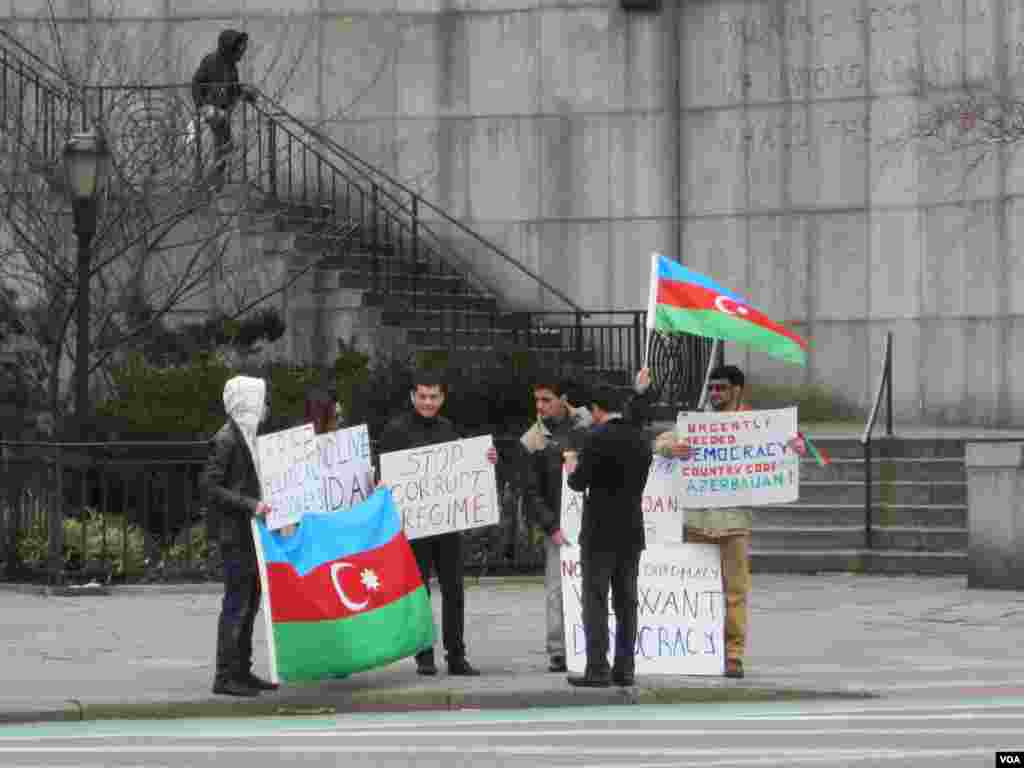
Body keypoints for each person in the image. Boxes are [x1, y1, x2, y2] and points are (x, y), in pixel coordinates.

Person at [654, 364, 805, 679]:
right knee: (696, 591)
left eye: (721, 388)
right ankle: (699, 649)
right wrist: (671, 447)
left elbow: (788, 443)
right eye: (711, 388)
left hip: (734, 522)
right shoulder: (697, 423)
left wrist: (795, 448)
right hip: (697, 521)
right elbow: (661, 442)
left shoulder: (755, 424)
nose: (714, 394)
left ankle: (733, 655)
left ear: (738, 390)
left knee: (735, 592)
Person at [376, 369, 498, 677]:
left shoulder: (448, 429)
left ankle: (456, 655)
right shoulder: (396, 431)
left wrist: (487, 459)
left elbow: (463, 469)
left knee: (454, 589)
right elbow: (383, 475)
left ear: (442, 398)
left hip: (446, 527)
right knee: (419, 592)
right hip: (413, 528)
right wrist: (382, 484)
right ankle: (424, 656)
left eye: (433, 397)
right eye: (422, 396)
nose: (428, 402)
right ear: (412, 397)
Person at [565, 376, 653, 688]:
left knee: (596, 600)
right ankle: (625, 668)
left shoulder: (596, 438)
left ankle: (597, 669)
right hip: (631, 528)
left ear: (598, 410)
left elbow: (577, 482)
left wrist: (573, 465)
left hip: (599, 530)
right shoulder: (641, 438)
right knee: (627, 602)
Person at [201, 375, 277, 697]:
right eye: (260, 400)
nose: (265, 407)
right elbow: (210, 486)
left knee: (250, 600)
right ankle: (225, 674)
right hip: (235, 533)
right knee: (237, 602)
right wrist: (251, 504)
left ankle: (241, 670)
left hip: (248, 532)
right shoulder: (227, 440)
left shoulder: (245, 436)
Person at [520, 376, 593, 673]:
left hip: (590, 519)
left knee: (593, 585)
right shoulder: (532, 440)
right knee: (556, 589)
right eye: (536, 400)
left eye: (546, 400)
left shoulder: (586, 425)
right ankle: (559, 650)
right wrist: (551, 527)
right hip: (559, 525)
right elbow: (531, 491)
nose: (540, 406)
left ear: (563, 399)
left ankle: (592, 642)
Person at [191, 29, 255, 186]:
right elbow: (196, 84)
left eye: (243, 50)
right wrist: (203, 107)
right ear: (229, 48)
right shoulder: (211, 61)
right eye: (239, 50)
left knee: (225, 148)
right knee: (210, 149)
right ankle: (205, 185)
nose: (242, 54)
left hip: (222, 115)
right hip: (209, 115)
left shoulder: (232, 67)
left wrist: (245, 93)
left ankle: (214, 184)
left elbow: (231, 89)